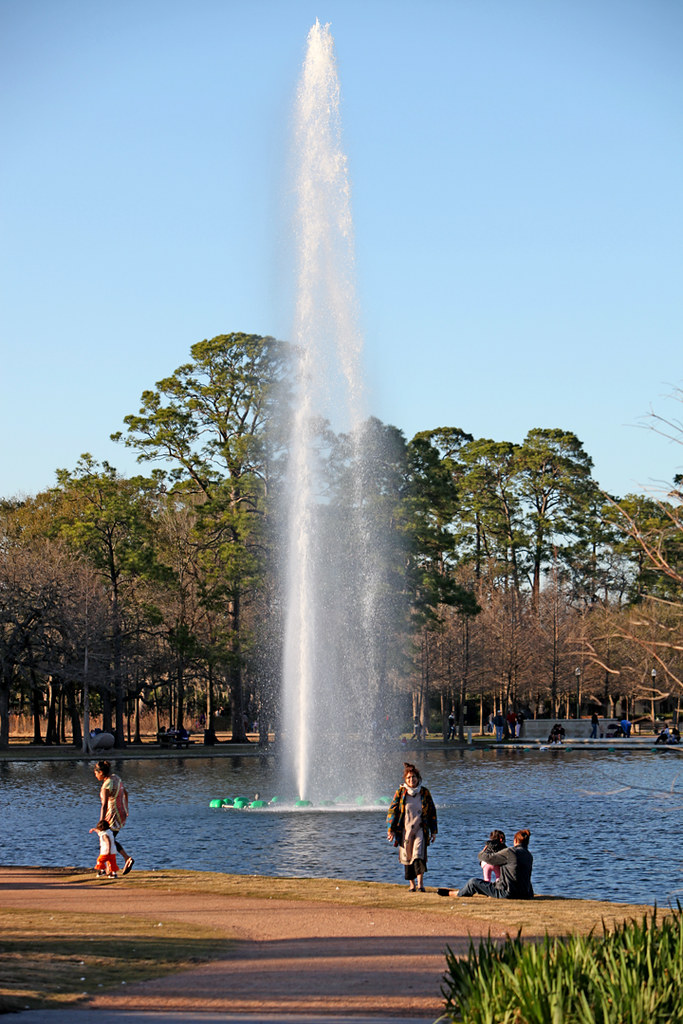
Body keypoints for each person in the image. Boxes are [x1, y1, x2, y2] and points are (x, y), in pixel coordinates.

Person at [386, 762, 438, 892]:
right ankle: (412, 885)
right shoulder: (401, 793)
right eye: (409, 778)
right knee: (407, 857)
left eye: (414, 777)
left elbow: (432, 812)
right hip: (406, 830)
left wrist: (434, 831)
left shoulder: (424, 793)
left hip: (421, 829)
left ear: (418, 778)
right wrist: (391, 829)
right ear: (405, 779)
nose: (411, 780)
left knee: (419, 855)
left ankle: (420, 884)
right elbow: (392, 811)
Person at [443, 829, 534, 900]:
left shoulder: (510, 852)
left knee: (473, 882)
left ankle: (455, 893)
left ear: (515, 840)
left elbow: (488, 859)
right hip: (525, 893)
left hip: (507, 893)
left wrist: (483, 852)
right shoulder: (529, 855)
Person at [93, 760, 134, 876]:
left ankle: (113, 868)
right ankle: (109, 868)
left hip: (112, 816)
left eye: (96, 773)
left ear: (100, 772)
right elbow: (125, 792)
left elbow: (104, 805)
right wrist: (126, 808)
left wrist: (101, 822)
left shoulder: (107, 785)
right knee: (111, 840)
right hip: (120, 814)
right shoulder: (116, 778)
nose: (95, 776)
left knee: (107, 840)